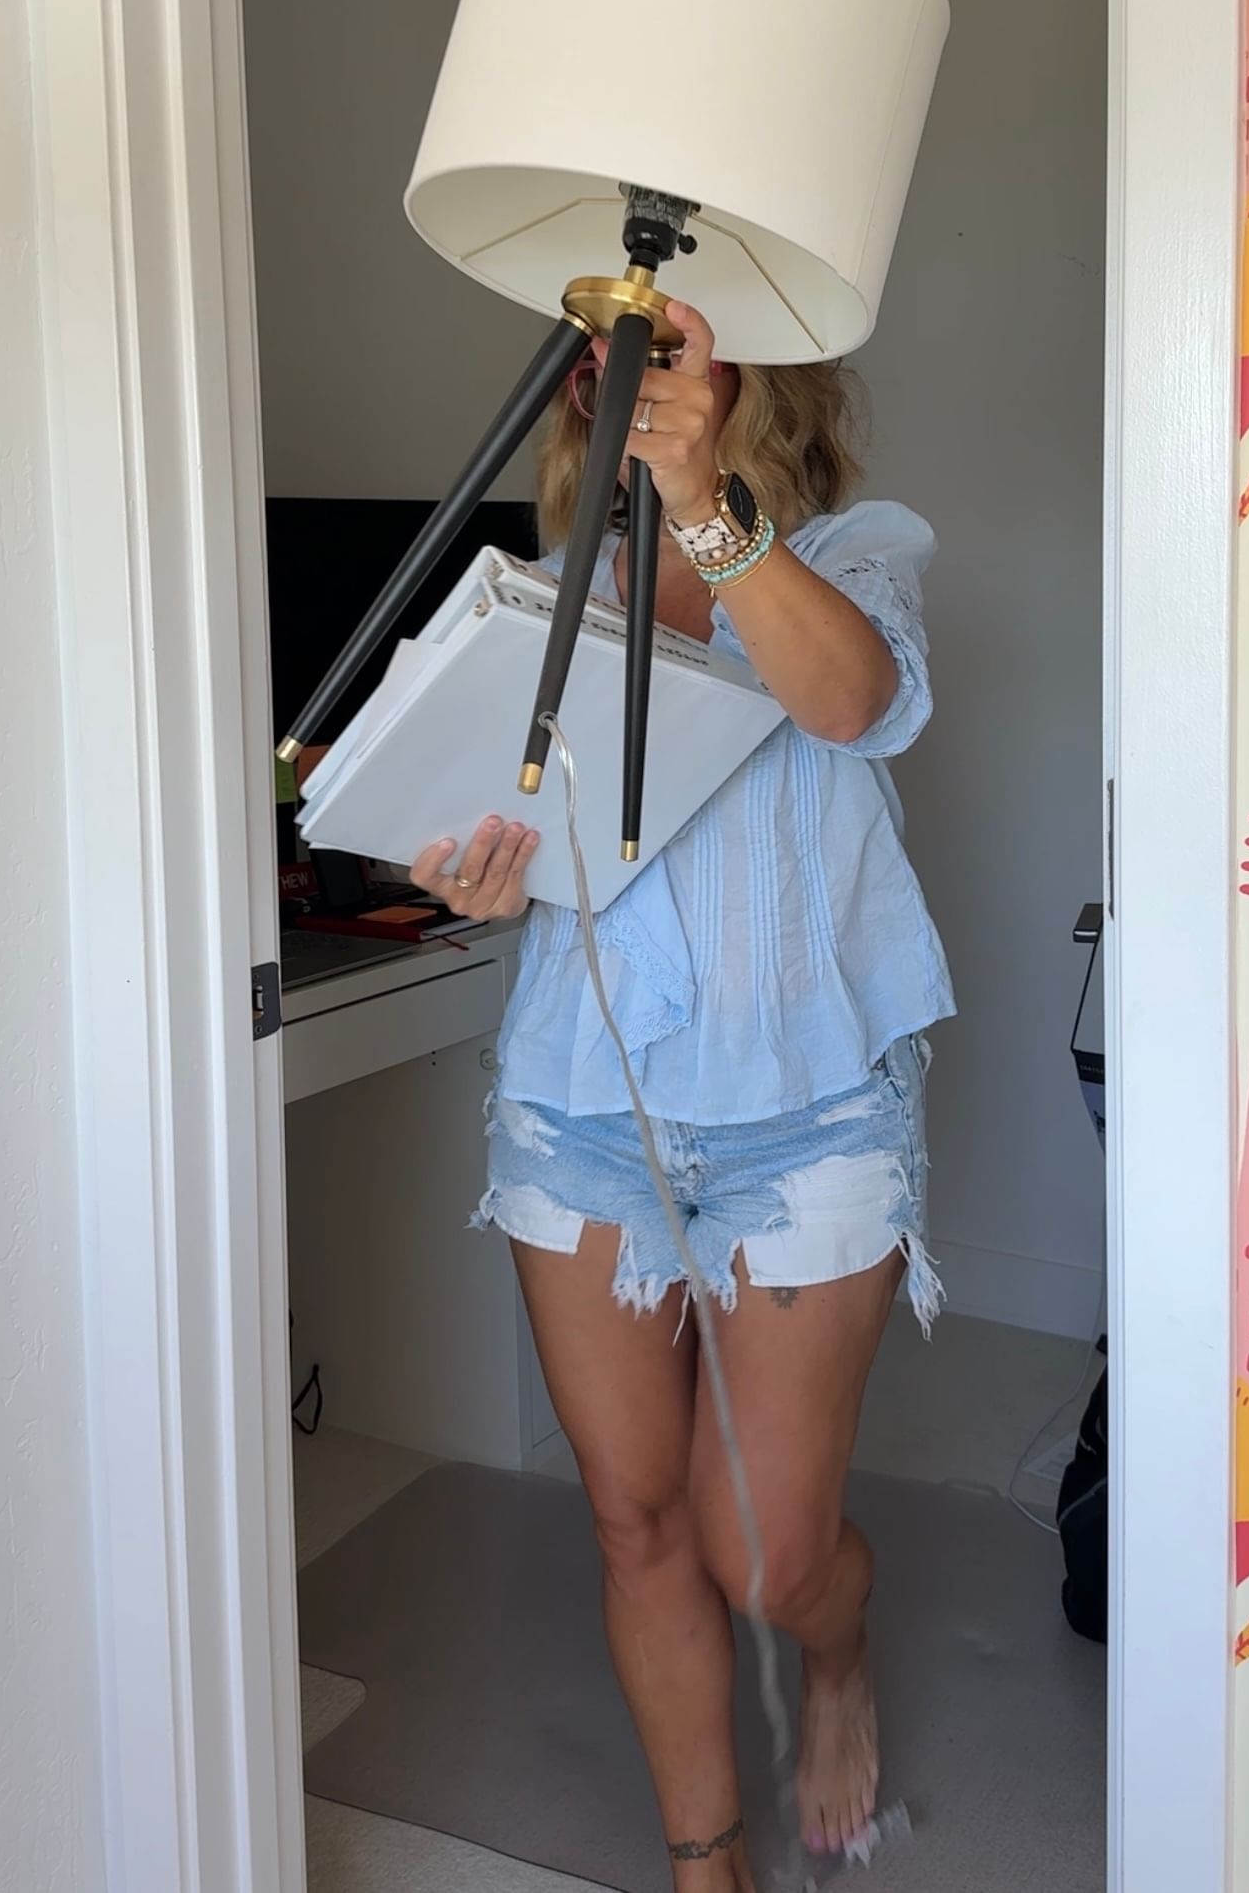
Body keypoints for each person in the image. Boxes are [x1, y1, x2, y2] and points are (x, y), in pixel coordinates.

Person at [411, 301, 954, 1893]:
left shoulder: (854, 557)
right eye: (595, 343)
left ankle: (835, 1648)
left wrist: (707, 502)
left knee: (767, 1552)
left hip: (809, 1113)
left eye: (666, 335)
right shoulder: (543, 601)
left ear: (753, 363)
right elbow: (504, 835)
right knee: (638, 1519)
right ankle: (705, 1866)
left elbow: (852, 702)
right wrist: (475, 874)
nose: (622, 365)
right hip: (580, 1105)